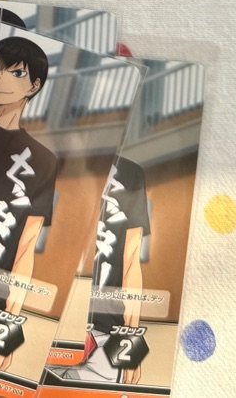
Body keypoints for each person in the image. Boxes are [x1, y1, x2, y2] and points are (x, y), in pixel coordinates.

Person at [0, 36, 57, 374]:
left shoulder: (43, 161)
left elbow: (25, 249)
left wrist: (10, 322)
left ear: (34, 86)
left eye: (16, 73)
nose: (1, 78)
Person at [56, 156, 150, 387]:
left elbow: (131, 261)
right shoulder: (58, 161)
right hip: (57, 324)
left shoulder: (129, 173)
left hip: (107, 333)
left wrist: (131, 339)